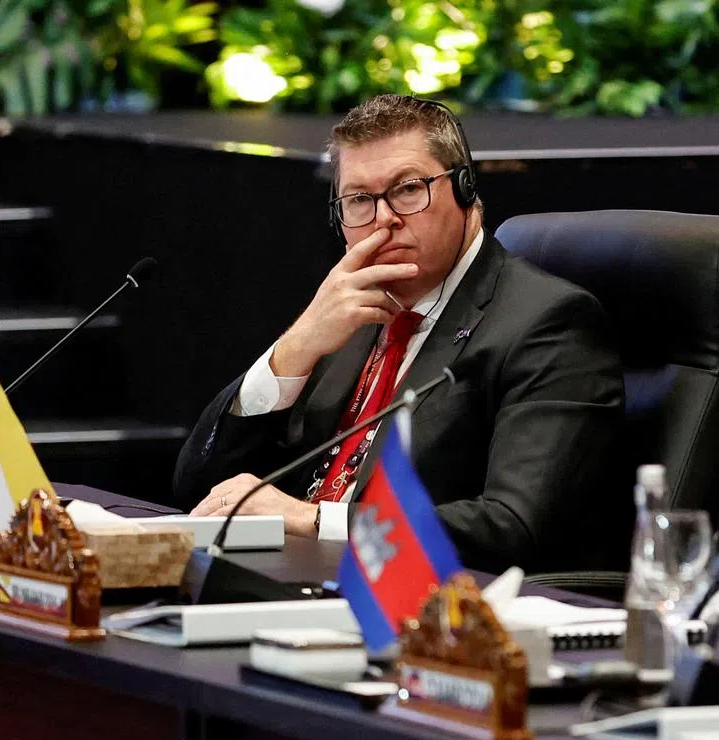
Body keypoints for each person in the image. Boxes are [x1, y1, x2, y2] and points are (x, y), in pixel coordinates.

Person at [174, 95, 624, 573]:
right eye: (359, 200)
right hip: (293, 579)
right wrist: (295, 346)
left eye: (408, 189)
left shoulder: (550, 323)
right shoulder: (347, 314)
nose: (383, 217)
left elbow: (513, 525)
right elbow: (198, 486)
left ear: (465, 189)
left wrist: (316, 520)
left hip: (434, 600)